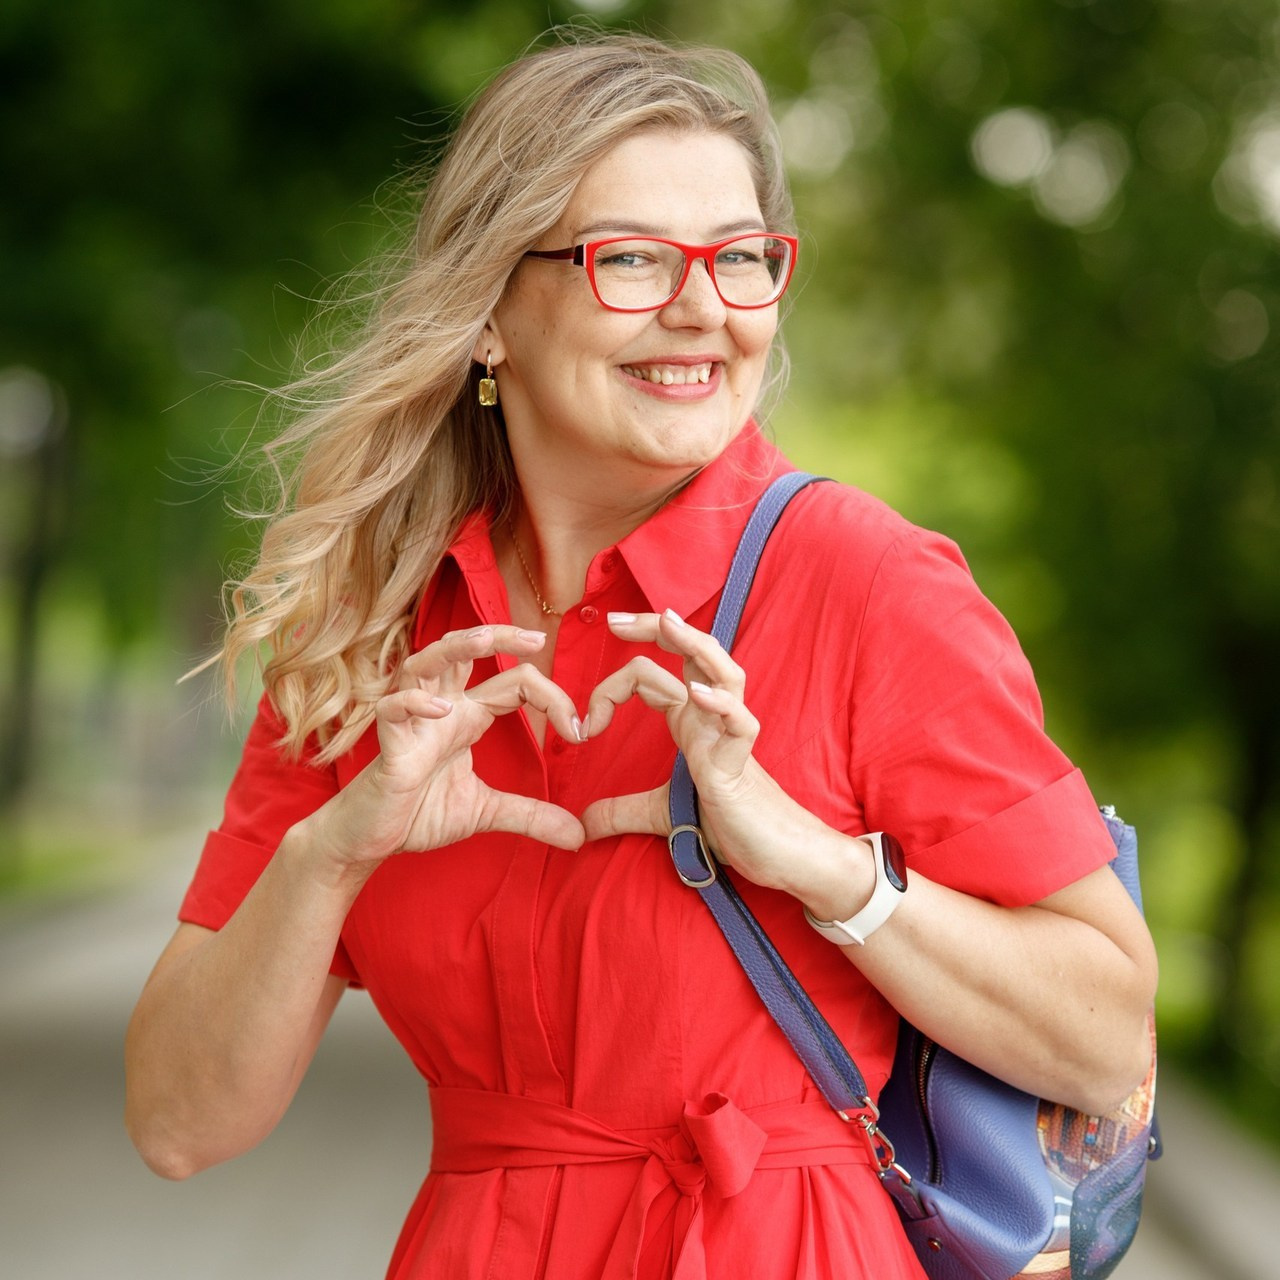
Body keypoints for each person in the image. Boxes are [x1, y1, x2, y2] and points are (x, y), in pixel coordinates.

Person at [125, 30, 1158, 1280]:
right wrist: (334, 849)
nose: (701, 307)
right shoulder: (375, 632)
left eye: (738, 258)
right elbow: (179, 1123)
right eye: (629, 258)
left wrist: (819, 869)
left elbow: (1110, 1041)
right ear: (490, 313)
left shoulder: (864, 581)